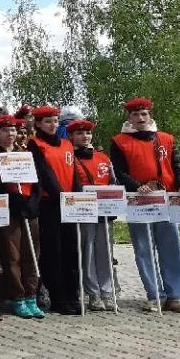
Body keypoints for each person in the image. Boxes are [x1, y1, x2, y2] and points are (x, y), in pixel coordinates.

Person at [110, 97, 180, 315]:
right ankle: (155, 295)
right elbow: (119, 172)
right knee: (144, 250)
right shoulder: (120, 141)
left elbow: (177, 166)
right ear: (129, 117)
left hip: (166, 199)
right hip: (139, 201)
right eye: (135, 115)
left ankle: (175, 296)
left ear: (150, 116)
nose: (140, 118)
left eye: (144, 114)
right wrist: (136, 186)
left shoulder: (166, 139)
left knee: (171, 249)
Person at [0, 117, 44, 319]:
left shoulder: (26, 153)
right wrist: (12, 200)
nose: (10, 134)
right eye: (5, 130)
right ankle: (18, 296)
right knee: (12, 256)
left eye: (13, 130)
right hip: (8, 210)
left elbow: (37, 181)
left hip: (29, 210)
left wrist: (33, 201)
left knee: (32, 254)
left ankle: (31, 295)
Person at [28, 105, 82, 315]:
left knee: (71, 251)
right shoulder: (35, 144)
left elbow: (74, 173)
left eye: (55, 121)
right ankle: (58, 297)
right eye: (47, 121)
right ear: (39, 124)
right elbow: (44, 173)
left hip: (70, 203)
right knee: (54, 252)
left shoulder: (67, 144)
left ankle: (73, 295)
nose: (52, 125)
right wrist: (61, 196)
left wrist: (76, 195)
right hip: (50, 203)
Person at [68, 119, 116, 311]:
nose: (84, 137)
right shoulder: (69, 157)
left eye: (87, 133)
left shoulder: (103, 158)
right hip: (83, 212)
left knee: (105, 253)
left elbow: (113, 182)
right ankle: (93, 293)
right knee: (86, 253)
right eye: (79, 133)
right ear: (71, 136)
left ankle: (107, 291)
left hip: (105, 212)